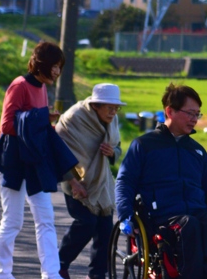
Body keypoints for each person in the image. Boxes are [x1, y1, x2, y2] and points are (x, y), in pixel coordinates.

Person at [116, 83, 207, 279]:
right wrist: (125, 213)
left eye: (198, 114)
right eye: (190, 113)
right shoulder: (144, 145)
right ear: (170, 111)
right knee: (189, 225)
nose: (194, 119)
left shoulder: (197, 151)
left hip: (196, 211)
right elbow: (125, 181)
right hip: (161, 215)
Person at [0, 41, 78, 279]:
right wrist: (40, 117)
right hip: (14, 161)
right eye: (55, 66)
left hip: (34, 161)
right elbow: (7, 125)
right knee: (13, 220)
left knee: (46, 218)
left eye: (60, 67)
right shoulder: (19, 85)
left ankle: (51, 273)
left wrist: (44, 120)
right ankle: (2, 273)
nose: (58, 72)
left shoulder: (43, 88)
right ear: (41, 64)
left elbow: (36, 125)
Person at [55, 83, 125, 279]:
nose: (113, 112)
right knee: (85, 223)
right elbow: (58, 150)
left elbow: (117, 147)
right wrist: (74, 181)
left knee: (105, 230)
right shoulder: (74, 118)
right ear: (96, 105)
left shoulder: (112, 120)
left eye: (116, 108)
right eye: (109, 107)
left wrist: (113, 153)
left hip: (101, 183)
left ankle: (97, 275)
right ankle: (59, 265)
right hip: (75, 180)